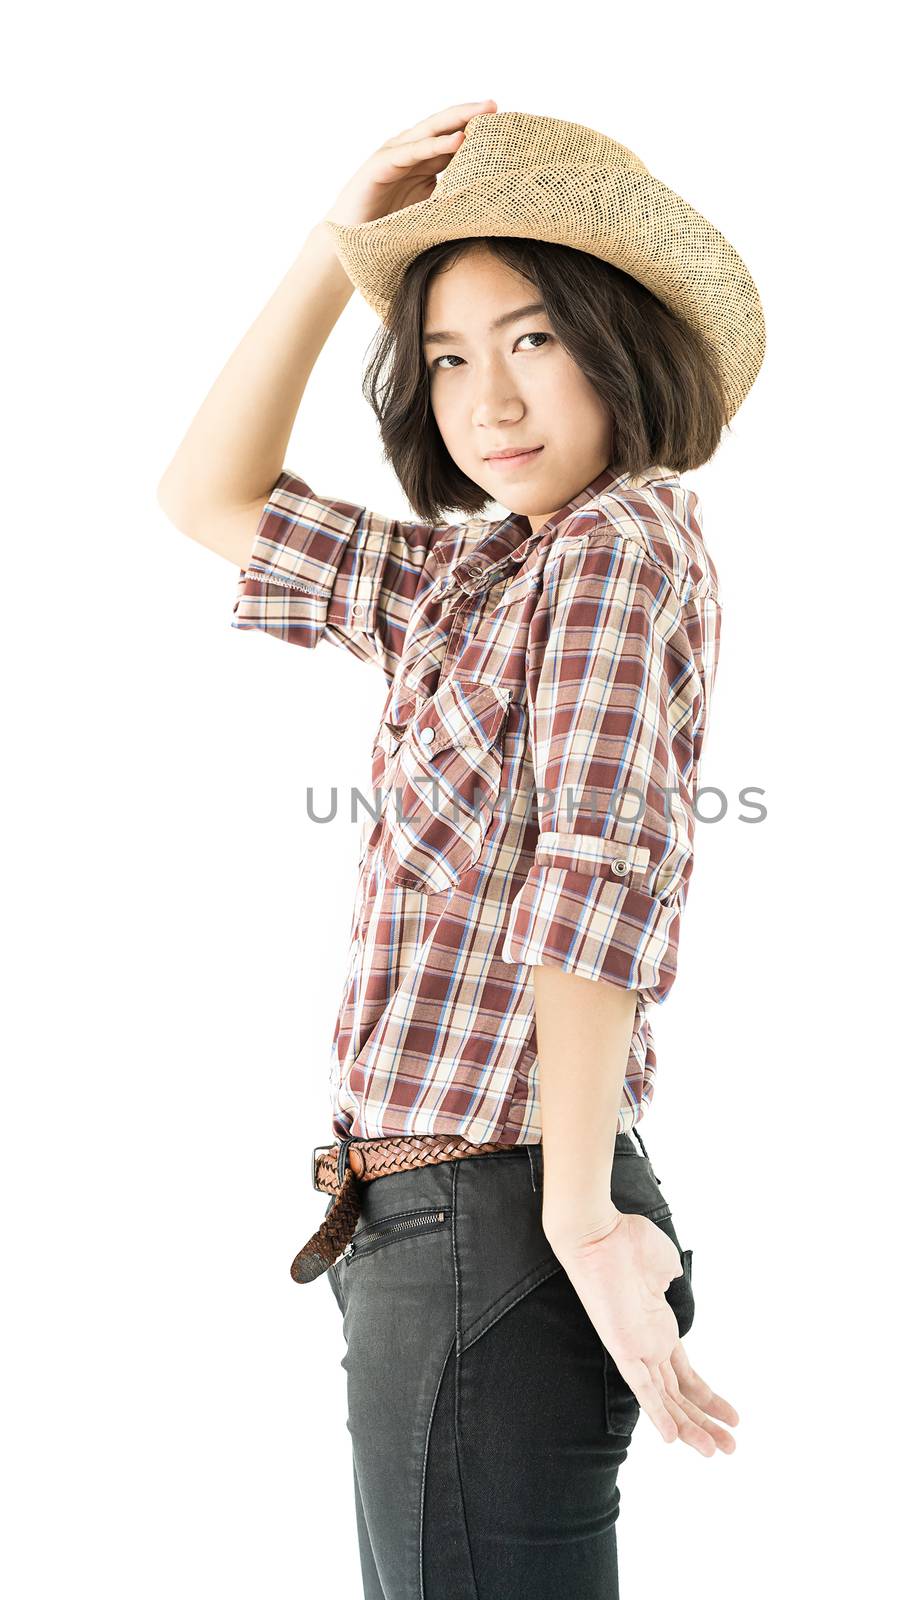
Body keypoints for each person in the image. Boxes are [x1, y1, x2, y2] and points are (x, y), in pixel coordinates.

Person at [157, 101, 765, 1600]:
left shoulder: (616, 546)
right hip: (446, 1219)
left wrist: (576, 1208)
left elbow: (592, 865)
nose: (485, 397)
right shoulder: (475, 577)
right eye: (443, 353)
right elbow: (208, 499)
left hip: (496, 1215)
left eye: (533, 338)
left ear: (622, 343)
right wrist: (333, 247)